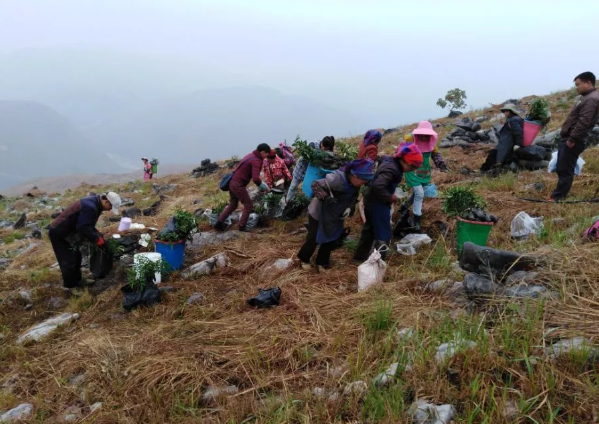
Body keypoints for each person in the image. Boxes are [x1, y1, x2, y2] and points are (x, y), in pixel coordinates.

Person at [298, 158, 375, 272]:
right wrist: (326, 197)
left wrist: (350, 206)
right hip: (320, 211)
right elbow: (315, 184)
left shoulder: (355, 184)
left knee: (331, 238)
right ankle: (304, 259)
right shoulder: (337, 179)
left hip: (335, 214)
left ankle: (322, 262)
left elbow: (353, 197)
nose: (364, 183)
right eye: (363, 180)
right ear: (354, 175)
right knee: (314, 237)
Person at [354, 143, 423, 262]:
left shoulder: (391, 161)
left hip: (370, 200)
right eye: (412, 167)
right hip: (378, 203)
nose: (412, 170)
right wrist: (390, 197)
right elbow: (378, 185)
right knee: (384, 234)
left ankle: (359, 257)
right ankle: (378, 263)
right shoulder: (392, 169)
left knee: (369, 230)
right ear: (405, 161)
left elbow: (381, 159)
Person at [48, 192, 121, 293]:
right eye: (110, 206)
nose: (109, 209)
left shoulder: (96, 203)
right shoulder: (90, 207)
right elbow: (83, 227)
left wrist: (95, 232)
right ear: (106, 201)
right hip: (59, 232)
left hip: (69, 231)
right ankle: (71, 286)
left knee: (76, 256)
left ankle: (78, 281)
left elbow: (86, 222)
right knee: (68, 259)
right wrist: (96, 239)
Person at [551, 72, 599, 200]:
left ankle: (558, 197)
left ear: (588, 83)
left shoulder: (591, 99)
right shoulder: (587, 97)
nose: (576, 88)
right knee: (562, 168)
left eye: (578, 85)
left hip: (572, 140)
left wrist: (572, 139)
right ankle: (558, 195)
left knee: (565, 169)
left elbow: (585, 121)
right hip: (569, 139)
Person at [214, 143, 271, 231]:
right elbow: (256, 178)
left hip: (232, 182)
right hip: (238, 185)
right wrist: (265, 187)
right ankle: (242, 227)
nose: (267, 156)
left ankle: (219, 223)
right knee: (248, 205)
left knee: (233, 204)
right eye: (267, 154)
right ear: (263, 152)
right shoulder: (256, 160)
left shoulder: (250, 155)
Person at [405, 121, 448, 231]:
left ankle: (404, 207)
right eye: (422, 135)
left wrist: (441, 164)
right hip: (412, 170)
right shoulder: (410, 139)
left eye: (427, 135)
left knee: (418, 193)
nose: (425, 137)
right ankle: (417, 221)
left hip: (424, 172)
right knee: (419, 193)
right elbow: (401, 152)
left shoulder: (431, 142)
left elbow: (435, 154)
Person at [286, 136, 335, 202]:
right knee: (293, 186)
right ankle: (288, 200)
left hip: (311, 171)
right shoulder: (313, 145)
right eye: (323, 146)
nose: (323, 149)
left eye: (326, 148)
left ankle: (305, 200)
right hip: (302, 168)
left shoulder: (329, 151)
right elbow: (305, 156)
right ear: (322, 142)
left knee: (309, 186)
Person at [480, 104, 524, 171]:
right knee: (493, 154)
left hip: (507, 144)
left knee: (494, 155)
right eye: (505, 111)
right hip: (504, 143)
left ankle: (485, 171)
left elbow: (518, 132)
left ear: (511, 112)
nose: (505, 113)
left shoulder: (513, 120)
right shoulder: (512, 119)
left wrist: (518, 144)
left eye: (507, 111)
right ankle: (485, 170)